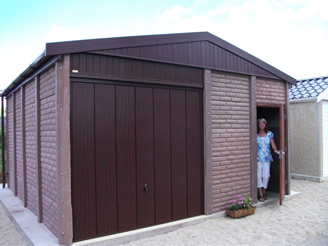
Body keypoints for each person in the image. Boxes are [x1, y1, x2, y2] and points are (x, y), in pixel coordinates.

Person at [257, 118, 279, 202]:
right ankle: (260, 194)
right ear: (258, 125)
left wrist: (276, 150)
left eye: (263, 123)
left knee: (266, 176)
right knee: (259, 175)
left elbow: (273, 145)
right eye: (260, 123)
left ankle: (264, 191)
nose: (262, 125)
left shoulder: (269, 134)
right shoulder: (256, 135)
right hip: (258, 158)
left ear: (265, 125)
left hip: (267, 158)